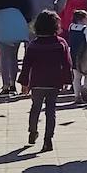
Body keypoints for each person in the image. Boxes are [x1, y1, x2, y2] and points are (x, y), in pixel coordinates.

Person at [19, 10, 72, 152]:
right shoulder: (61, 43)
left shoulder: (33, 45)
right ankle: (48, 139)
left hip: (37, 82)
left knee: (35, 107)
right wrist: (68, 79)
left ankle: (32, 131)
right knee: (51, 110)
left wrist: (24, 83)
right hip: (54, 81)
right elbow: (67, 63)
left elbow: (26, 65)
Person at [66, 9, 87, 104]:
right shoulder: (86, 29)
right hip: (84, 56)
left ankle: (77, 96)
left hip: (73, 54)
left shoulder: (71, 27)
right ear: (82, 20)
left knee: (76, 77)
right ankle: (85, 89)